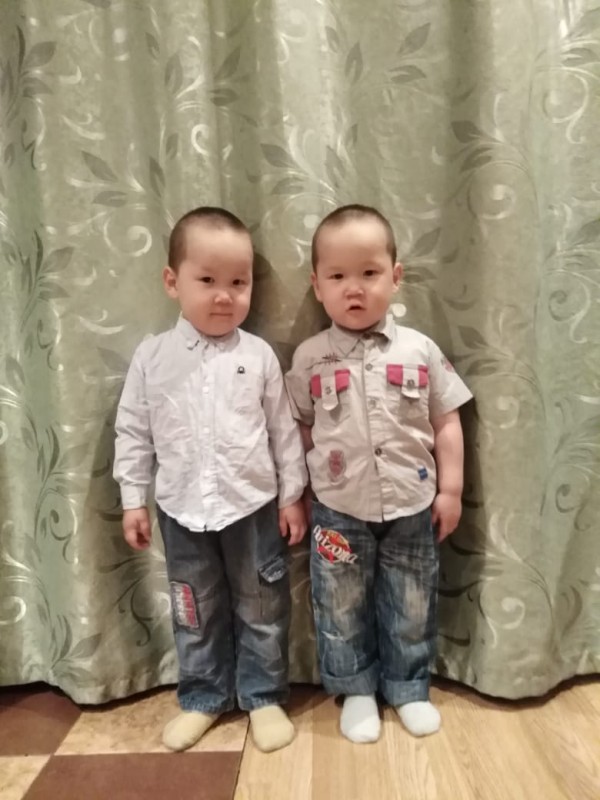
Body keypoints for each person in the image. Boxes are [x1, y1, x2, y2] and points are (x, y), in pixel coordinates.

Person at [113, 206, 307, 753]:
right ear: (172, 281)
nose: (225, 296)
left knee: (263, 605)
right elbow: (133, 430)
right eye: (207, 281)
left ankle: (263, 695)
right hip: (180, 511)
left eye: (238, 283)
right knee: (193, 610)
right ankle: (203, 696)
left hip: (252, 508)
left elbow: (283, 430)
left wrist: (292, 496)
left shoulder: (258, 355)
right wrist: (133, 499)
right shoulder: (153, 357)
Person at [285, 204, 472, 744]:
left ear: (395, 275)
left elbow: (447, 422)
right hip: (338, 509)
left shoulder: (420, 350)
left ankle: (408, 686)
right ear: (317, 285)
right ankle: (356, 690)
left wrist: (452, 489)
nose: (354, 288)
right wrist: (298, 493)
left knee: (412, 600)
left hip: (414, 503)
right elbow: (298, 428)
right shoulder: (310, 357)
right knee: (340, 604)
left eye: (369, 272)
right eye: (337, 276)